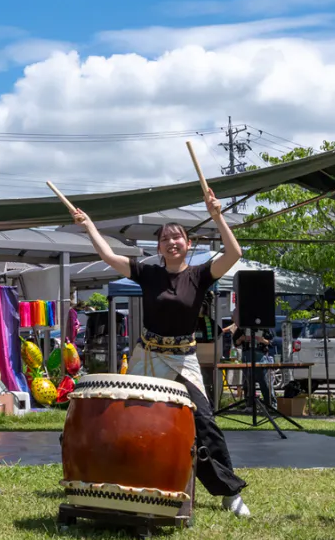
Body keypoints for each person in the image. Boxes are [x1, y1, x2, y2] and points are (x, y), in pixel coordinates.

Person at [71, 188, 253, 518]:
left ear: (188, 244)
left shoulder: (200, 275)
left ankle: (229, 492)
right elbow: (109, 256)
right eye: (165, 239)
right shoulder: (148, 273)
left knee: (203, 421)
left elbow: (234, 253)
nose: (171, 242)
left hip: (183, 358)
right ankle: (130, 479)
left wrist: (217, 216)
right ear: (158, 248)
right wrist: (89, 226)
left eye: (177, 237)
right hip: (148, 355)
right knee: (131, 416)